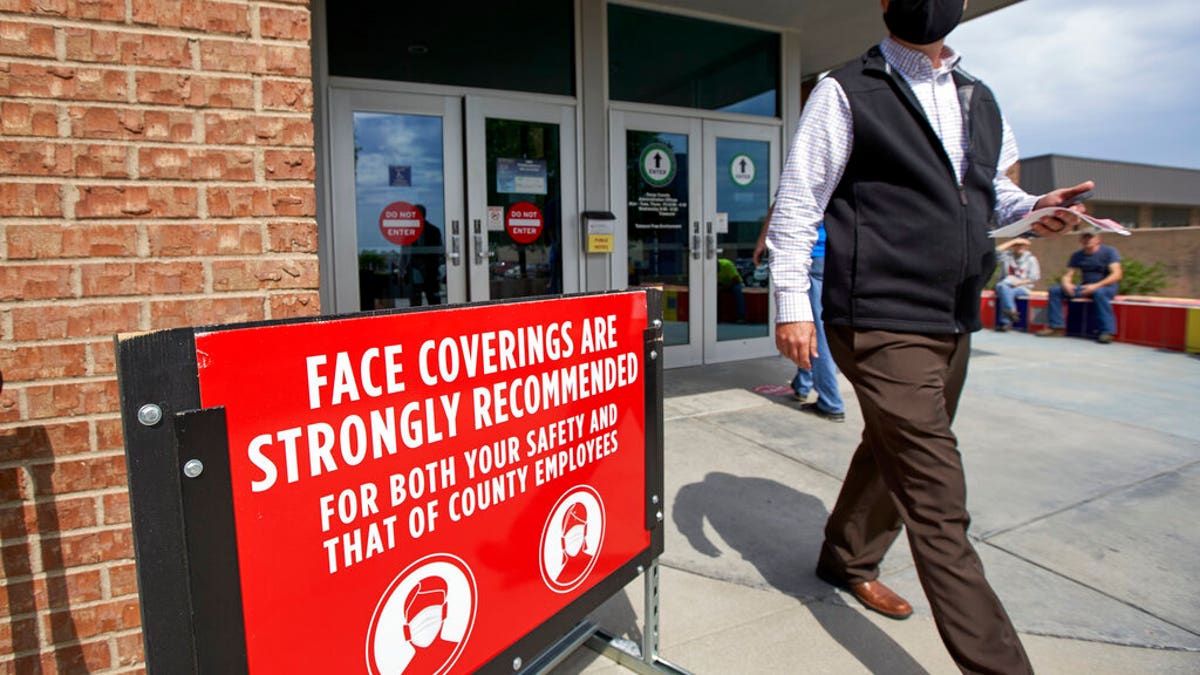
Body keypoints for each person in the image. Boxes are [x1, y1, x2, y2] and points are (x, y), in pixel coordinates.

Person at [767, 2, 1091, 672]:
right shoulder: (845, 89)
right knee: (939, 499)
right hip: (879, 317)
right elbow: (800, 200)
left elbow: (991, 197)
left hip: (952, 315)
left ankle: (844, 556)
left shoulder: (982, 98)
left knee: (892, 446)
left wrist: (1039, 210)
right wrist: (792, 304)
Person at [754, 216, 845, 421]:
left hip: (810, 256)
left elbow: (779, 208)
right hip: (833, 256)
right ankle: (802, 384)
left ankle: (831, 402)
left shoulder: (800, 182)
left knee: (814, 330)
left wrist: (762, 241)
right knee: (817, 321)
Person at [1036, 232, 1122, 343]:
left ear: (1098, 239)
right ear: (1081, 241)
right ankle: (1056, 328)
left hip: (1105, 287)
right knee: (1055, 290)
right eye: (1084, 238)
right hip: (1085, 287)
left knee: (1099, 293)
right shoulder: (1077, 255)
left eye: (1090, 237)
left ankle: (1107, 332)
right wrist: (1066, 284)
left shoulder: (1109, 252)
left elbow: (1117, 274)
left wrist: (1096, 286)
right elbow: (1068, 275)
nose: (1087, 240)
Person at [993, 236, 1040, 331]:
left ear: (1027, 247)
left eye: (1022, 245)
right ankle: (1011, 312)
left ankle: (1005, 322)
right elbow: (995, 252)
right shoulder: (1007, 256)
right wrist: (1012, 241)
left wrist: (1018, 283)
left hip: (1022, 287)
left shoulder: (1031, 259)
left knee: (1005, 289)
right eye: (1017, 245)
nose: (1020, 247)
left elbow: (1034, 278)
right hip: (1005, 285)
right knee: (1004, 287)